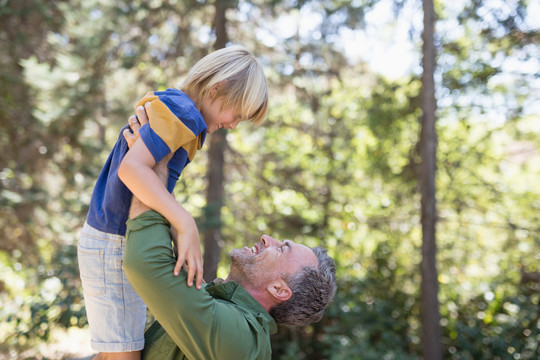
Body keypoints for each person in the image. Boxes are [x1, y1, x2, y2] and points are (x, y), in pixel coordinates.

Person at [78, 45, 269, 360]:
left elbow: (154, 179)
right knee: (124, 353)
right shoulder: (184, 113)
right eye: (236, 114)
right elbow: (132, 169)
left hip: (116, 238)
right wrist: (183, 221)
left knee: (120, 348)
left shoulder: (182, 112)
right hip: (113, 240)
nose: (234, 125)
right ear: (217, 88)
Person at [122, 155, 337, 360]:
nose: (266, 238)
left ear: (278, 290)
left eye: (281, 249)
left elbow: (146, 262)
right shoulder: (221, 305)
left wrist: (153, 155)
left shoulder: (239, 340)